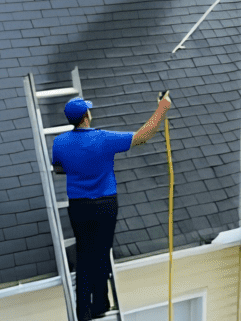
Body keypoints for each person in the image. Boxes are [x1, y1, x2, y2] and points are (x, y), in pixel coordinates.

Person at [52, 92, 172, 321]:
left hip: (79, 206)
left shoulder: (60, 142)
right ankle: (100, 303)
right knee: (101, 252)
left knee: (84, 254)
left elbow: (59, 169)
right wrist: (163, 107)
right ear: (86, 117)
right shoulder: (103, 138)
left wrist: (79, 167)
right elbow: (143, 136)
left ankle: (83, 311)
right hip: (105, 205)